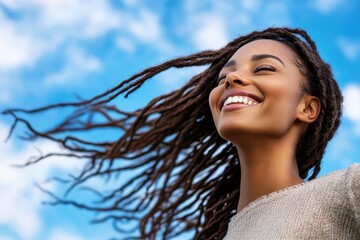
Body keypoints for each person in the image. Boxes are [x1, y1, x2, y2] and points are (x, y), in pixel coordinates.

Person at [3, 27, 359, 239]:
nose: (232, 79)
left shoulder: (346, 191)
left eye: (264, 68)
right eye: (223, 78)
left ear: (308, 108)